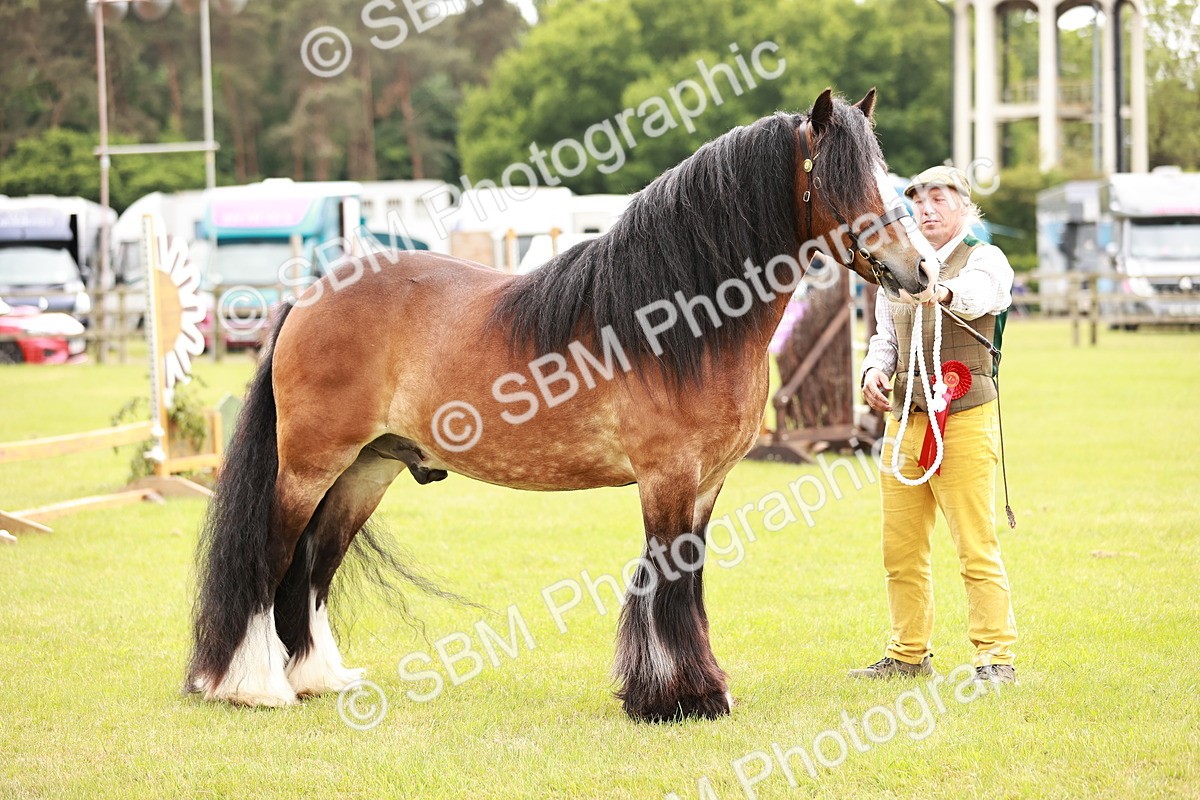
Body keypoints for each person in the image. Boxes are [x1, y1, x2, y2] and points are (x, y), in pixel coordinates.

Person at [852, 166, 1018, 684]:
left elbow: (982, 295)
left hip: (965, 419)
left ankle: (995, 659)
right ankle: (907, 654)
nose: (927, 210)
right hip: (904, 422)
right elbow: (886, 336)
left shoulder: (985, 258)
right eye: (918, 201)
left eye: (939, 199)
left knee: (975, 544)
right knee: (899, 549)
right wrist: (874, 368)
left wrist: (941, 293)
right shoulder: (897, 267)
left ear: (965, 208)